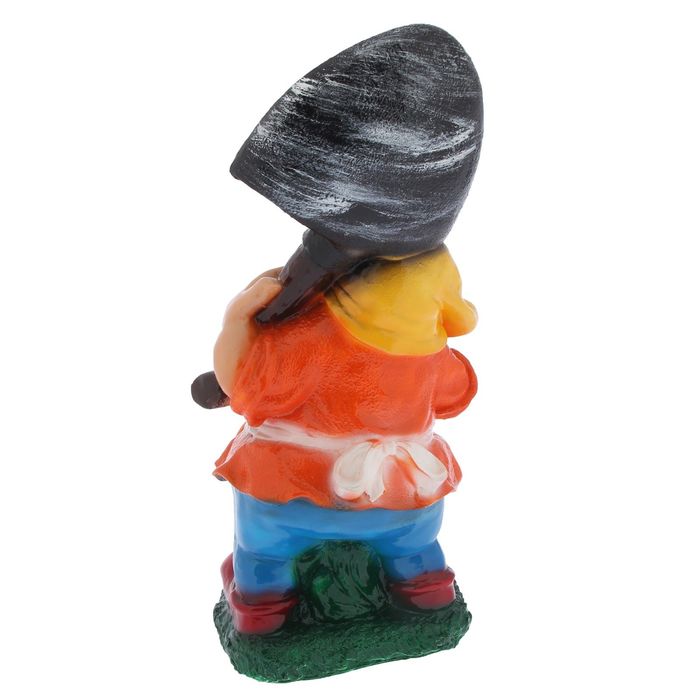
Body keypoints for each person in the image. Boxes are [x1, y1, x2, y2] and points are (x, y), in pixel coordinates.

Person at [212, 245, 477, 634]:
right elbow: (456, 396)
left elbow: (244, 387)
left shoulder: (307, 338)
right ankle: (426, 587)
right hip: (403, 503)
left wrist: (238, 320)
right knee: (415, 547)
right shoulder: (436, 354)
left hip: (294, 497)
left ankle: (262, 608)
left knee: (265, 552)